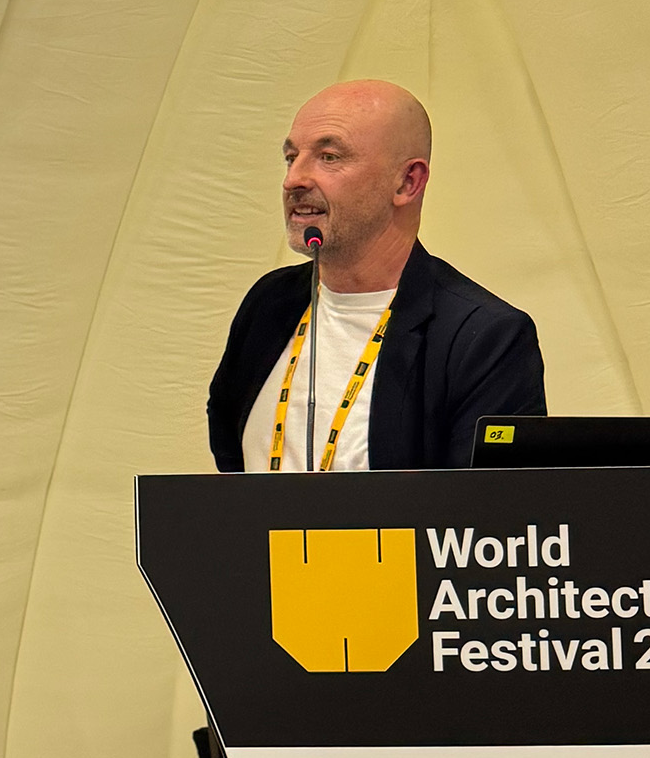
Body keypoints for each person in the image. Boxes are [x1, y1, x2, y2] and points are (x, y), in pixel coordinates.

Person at [207, 79, 545, 471]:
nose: (293, 180)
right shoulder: (269, 304)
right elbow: (229, 448)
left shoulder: (484, 337)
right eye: (291, 157)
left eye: (329, 157)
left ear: (407, 182)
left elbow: (481, 516)